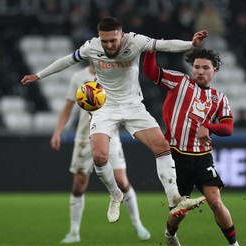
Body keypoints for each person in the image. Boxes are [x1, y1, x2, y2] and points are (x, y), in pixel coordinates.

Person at [21, 17, 207, 227]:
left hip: (133, 105)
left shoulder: (135, 42)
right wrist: (39, 75)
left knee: (162, 146)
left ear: (121, 35)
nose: (108, 45)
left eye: (113, 41)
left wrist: (191, 45)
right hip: (104, 107)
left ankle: (174, 198)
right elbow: (67, 60)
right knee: (99, 157)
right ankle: (116, 195)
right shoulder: (92, 46)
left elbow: (165, 44)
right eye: (105, 41)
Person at [143, 49, 246, 246]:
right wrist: (150, 48)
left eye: (205, 68)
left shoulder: (219, 98)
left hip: (202, 157)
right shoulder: (180, 82)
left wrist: (208, 127)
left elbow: (228, 128)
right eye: (197, 67)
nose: (199, 71)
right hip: (176, 155)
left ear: (214, 71)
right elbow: (151, 72)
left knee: (215, 202)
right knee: (180, 211)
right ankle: (170, 234)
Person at [50, 62, 150, 243]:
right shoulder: (78, 77)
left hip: (109, 136)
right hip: (84, 137)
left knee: (121, 181)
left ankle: (138, 225)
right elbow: (68, 108)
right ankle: (74, 232)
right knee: (79, 184)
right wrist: (58, 131)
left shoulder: (116, 75)